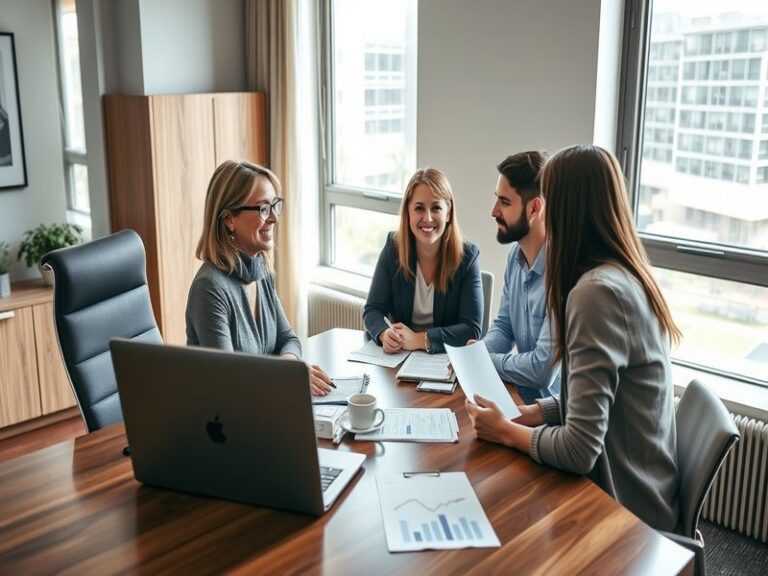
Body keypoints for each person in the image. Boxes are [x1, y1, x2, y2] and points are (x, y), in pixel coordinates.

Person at [465, 145, 681, 532]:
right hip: (639, 485)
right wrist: (538, 413)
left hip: (628, 515)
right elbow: (597, 400)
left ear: (565, 208)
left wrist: (506, 431)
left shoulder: (595, 292)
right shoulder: (620, 275)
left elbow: (579, 450)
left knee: (499, 519)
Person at [186, 160, 333, 396]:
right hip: (223, 421)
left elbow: (289, 338)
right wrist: (287, 373)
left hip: (262, 403)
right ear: (229, 220)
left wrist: (289, 366)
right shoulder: (210, 288)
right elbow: (229, 378)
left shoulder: (260, 268)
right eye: (263, 209)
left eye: (275, 206)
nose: (274, 218)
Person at [364, 168, 483, 354]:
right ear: (408, 213)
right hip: (399, 360)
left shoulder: (467, 256)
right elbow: (373, 310)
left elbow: (471, 328)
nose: (427, 218)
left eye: (436, 208)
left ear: (449, 213)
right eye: (419, 208)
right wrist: (384, 333)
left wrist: (420, 339)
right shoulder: (393, 249)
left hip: (445, 362)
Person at [475, 151, 560, 404]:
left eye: (505, 202)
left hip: (555, 420)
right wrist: (477, 356)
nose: (494, 211)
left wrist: (485, 361)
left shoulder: (563, 272)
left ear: (534, 208)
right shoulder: (515, 255)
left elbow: (541, 370)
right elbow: (504, 325)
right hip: (521, 401)